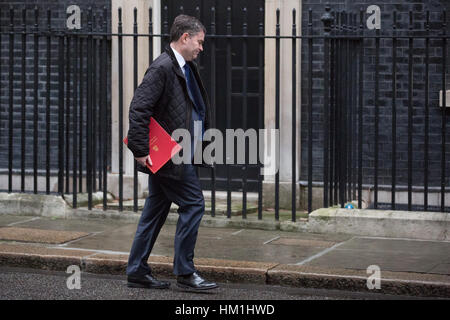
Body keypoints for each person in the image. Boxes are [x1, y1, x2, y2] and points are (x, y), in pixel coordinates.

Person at [125, 14, 217, 291]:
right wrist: (140, 150)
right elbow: (139, 109)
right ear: (185, 38)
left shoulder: (185, 67)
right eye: (199, 42)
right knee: (194, 204)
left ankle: (137, 270)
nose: (201, 48)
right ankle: (186, 273)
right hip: (170, 155)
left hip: (181, 151)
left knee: (155, 210)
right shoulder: (162, 67)